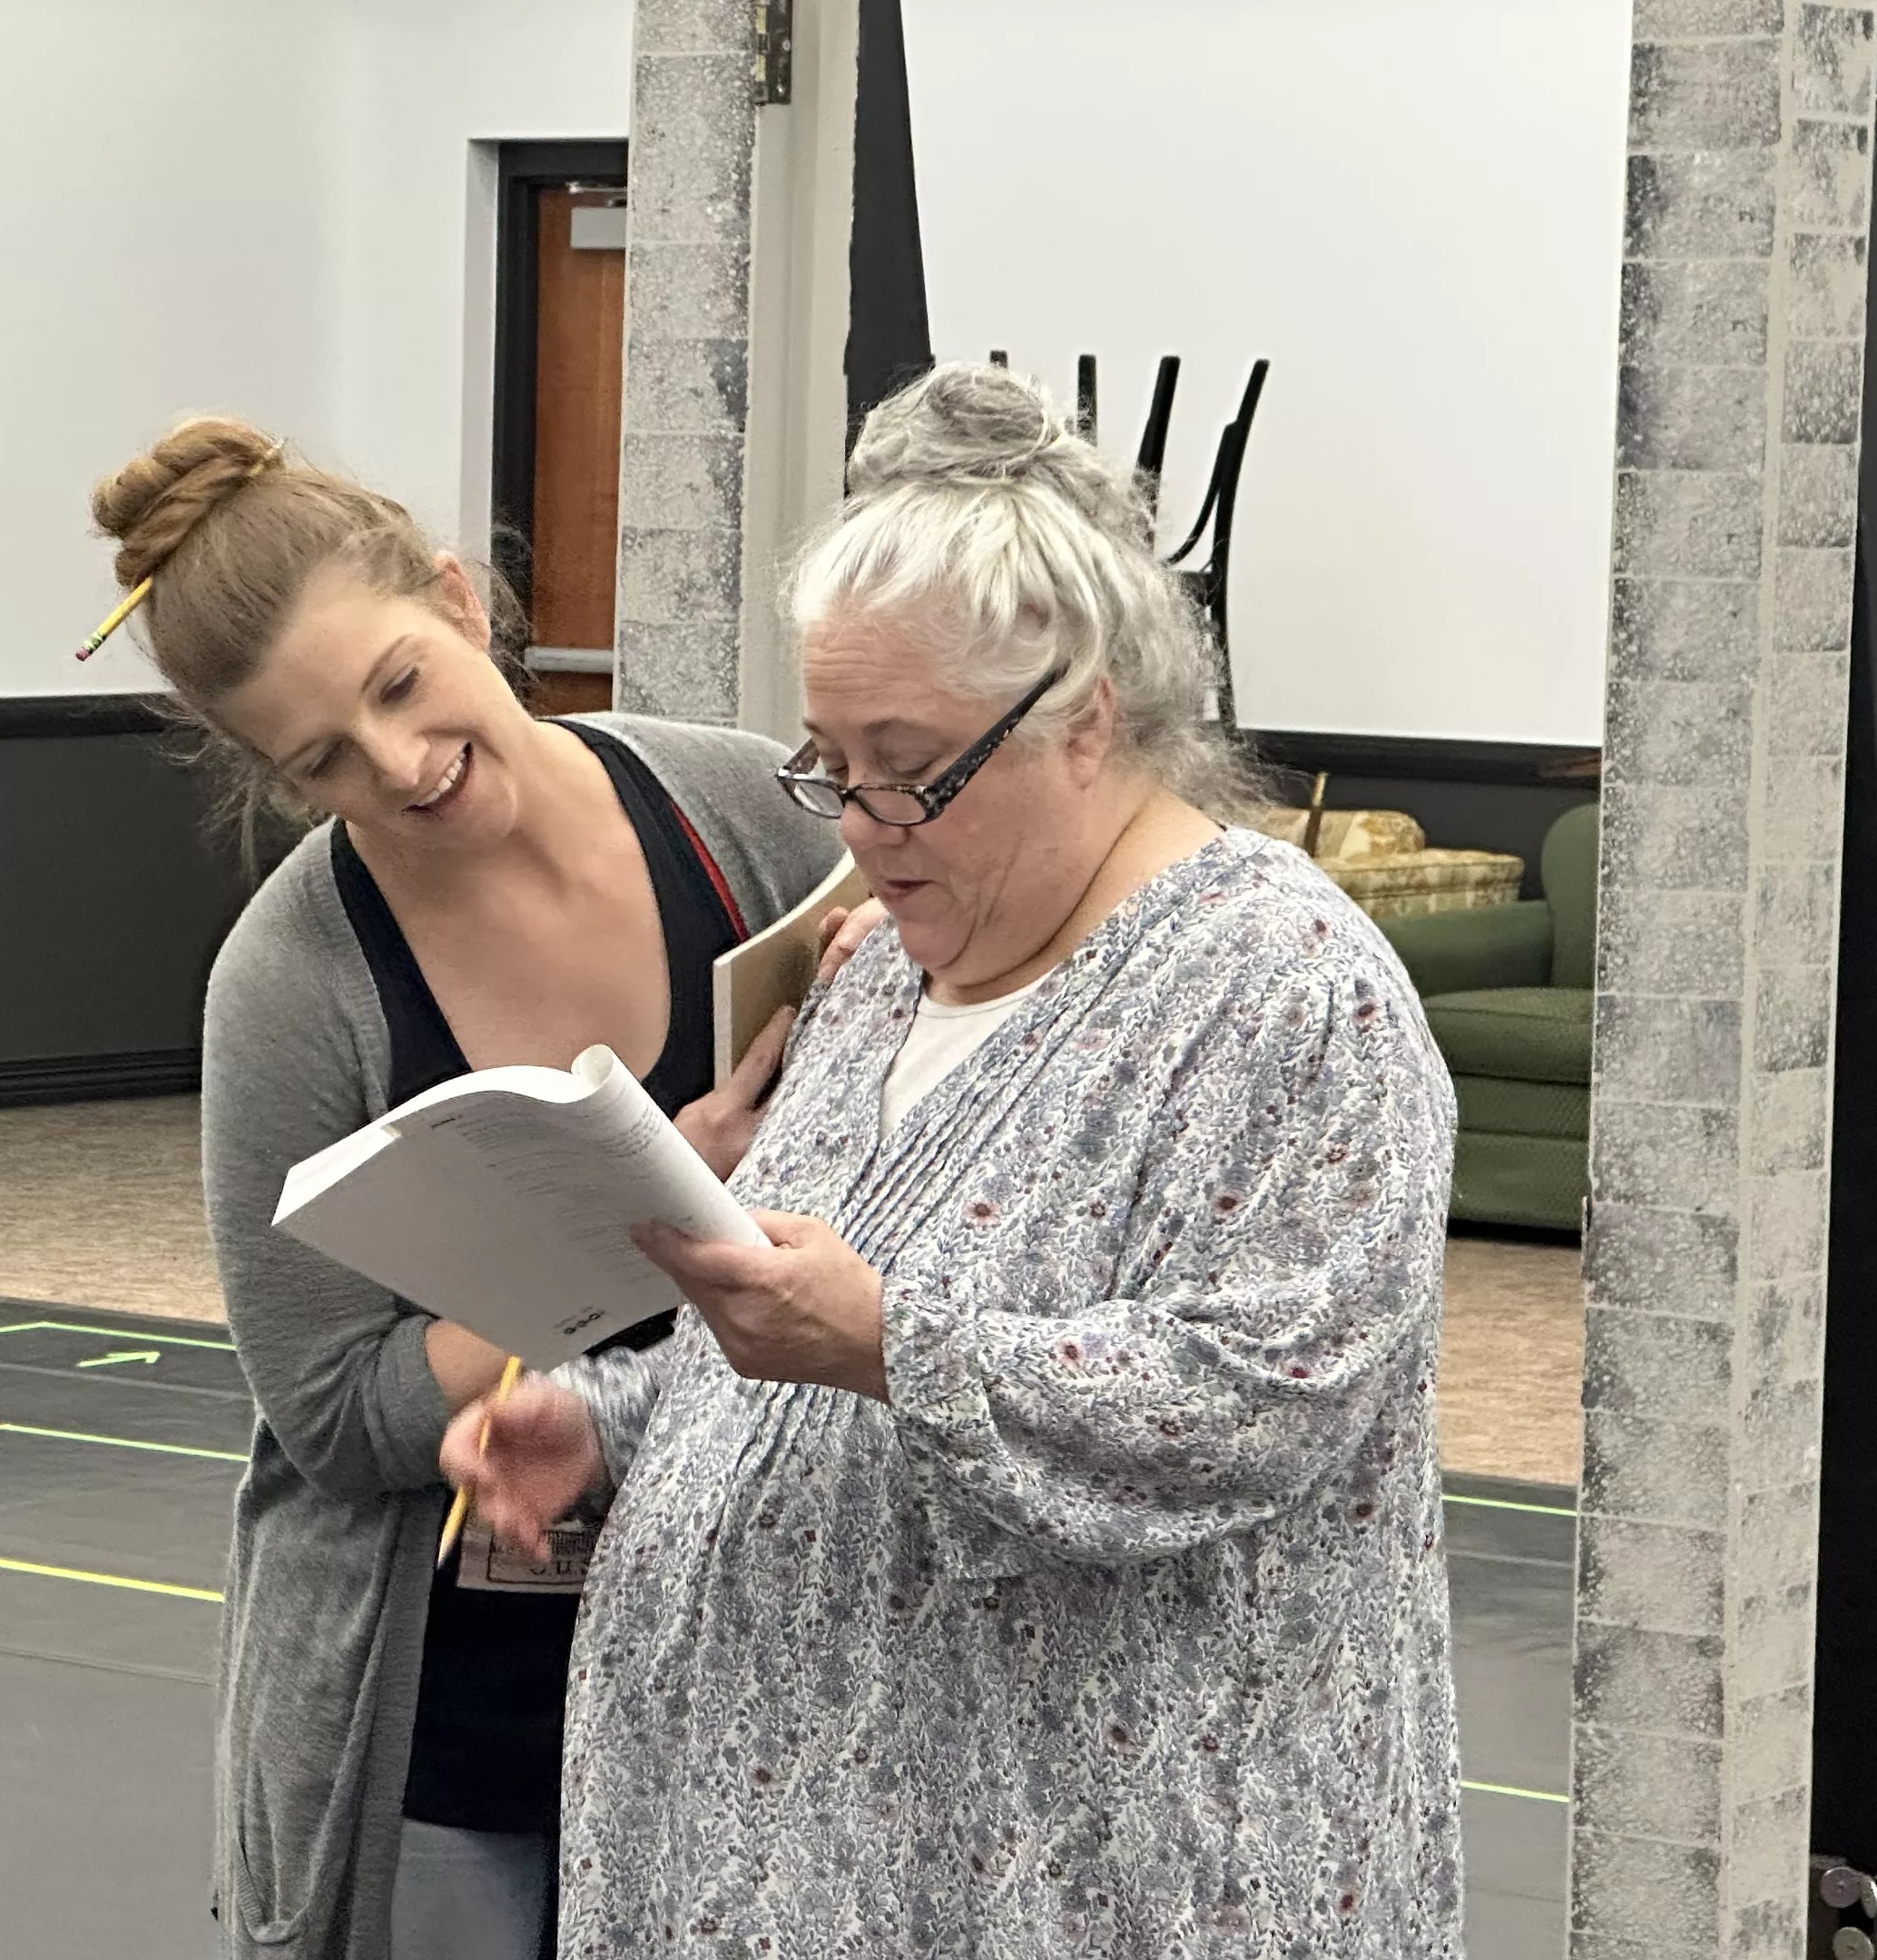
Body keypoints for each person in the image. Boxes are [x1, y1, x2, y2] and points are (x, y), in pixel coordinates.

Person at [443, 363, 1466, 1956]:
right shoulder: (877, 971)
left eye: (909, 764)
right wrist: (616, 1419)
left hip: (1103, 1885)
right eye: (827, 762)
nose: (858, 821)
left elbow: (1266, 1394)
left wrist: (889, 1347)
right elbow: (803, 1326)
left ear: (1086, 722)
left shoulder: (1282, 990)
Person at [85, 417, 850, 1959]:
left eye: (399, 688)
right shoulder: (290, 988)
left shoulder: (748, 811)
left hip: (767, 1664)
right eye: (322, 764)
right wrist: (653, 1210)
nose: (400, 766)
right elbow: (339, 1413)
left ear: (457, 600)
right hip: (459, 1715)